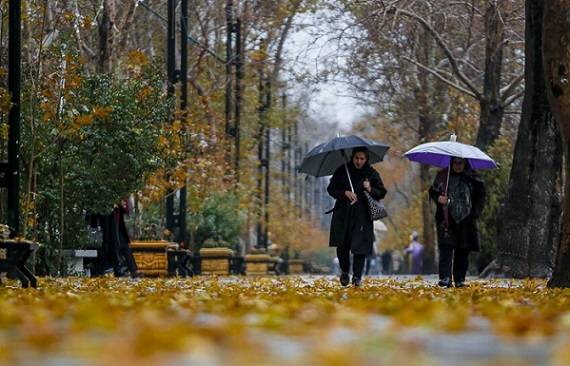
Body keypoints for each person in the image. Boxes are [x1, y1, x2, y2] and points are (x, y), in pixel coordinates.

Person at [327, 147, 387, 287]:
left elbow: (381, 192)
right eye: (356, 158)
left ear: (366, 159)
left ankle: (357, 277)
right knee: (342, 246)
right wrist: (345, 193)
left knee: (360, 247)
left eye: (362, 159)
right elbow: (331, 189)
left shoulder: (371, 173)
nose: (358, 161)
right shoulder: (342, 171)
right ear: (352, 157)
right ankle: (345, 271)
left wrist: (370, 188)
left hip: (362, 216)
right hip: (343, 214)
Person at [430, 157, 485, 288]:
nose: (458, 165)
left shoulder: (474, 177)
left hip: (466, 219)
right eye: (455, 162)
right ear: (451, 162)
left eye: (461, 162)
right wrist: (439, 198)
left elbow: (481, 196)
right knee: (446, 249)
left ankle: (460, 278)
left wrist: (474, 214)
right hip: (446, 218)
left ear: (465, 163)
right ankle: (445, 277)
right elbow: (433, 191)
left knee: (463, 250)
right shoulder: (443, 175)